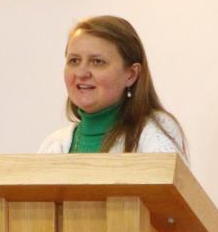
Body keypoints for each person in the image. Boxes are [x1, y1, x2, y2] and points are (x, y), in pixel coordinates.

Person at [38, 15, 188, 158]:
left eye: (97, 62)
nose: (82, 73)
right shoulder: (53, 145)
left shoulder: (153, 135)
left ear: (131, 75)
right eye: (74, 61)